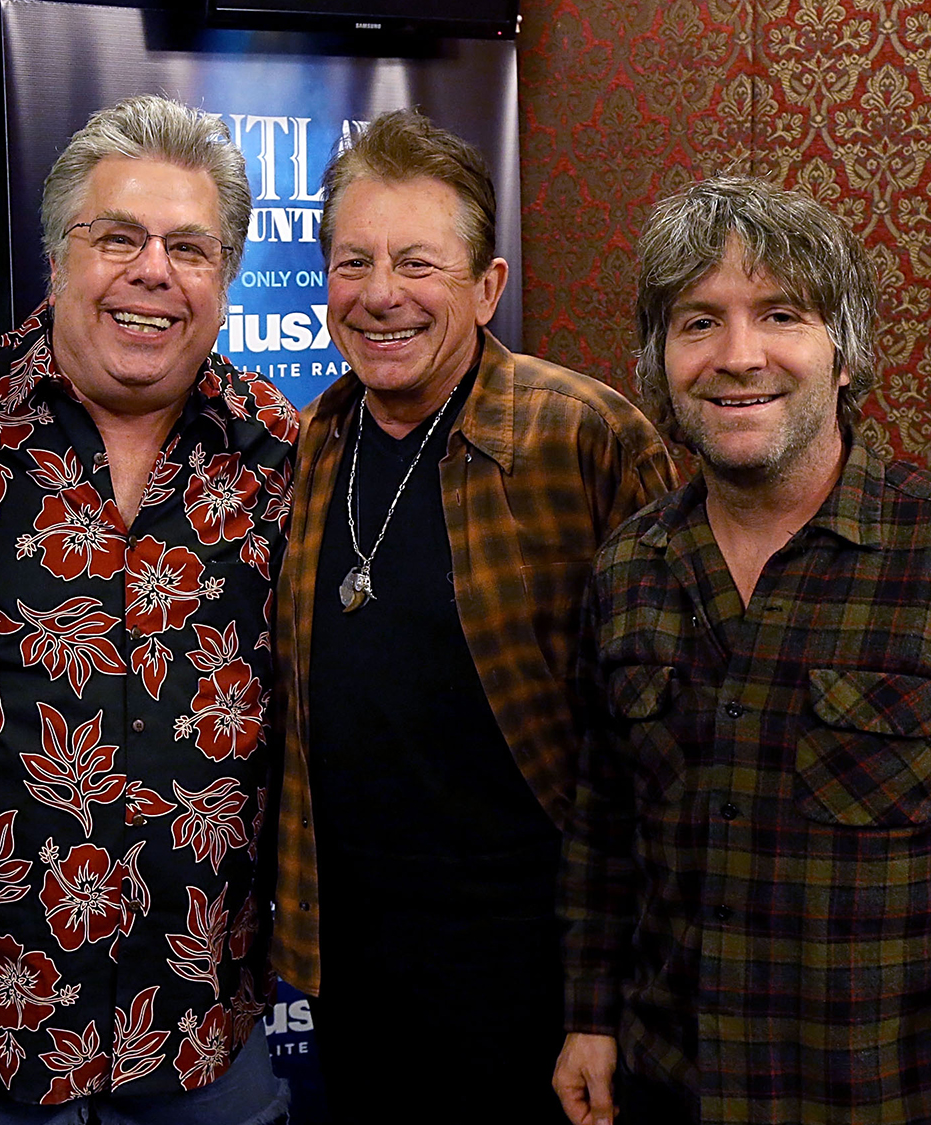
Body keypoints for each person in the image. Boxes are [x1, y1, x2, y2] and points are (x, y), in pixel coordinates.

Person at [554, 174, 931, 1125]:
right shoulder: (628, 570)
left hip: (885, 1099)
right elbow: (603, 833)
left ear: (844, 352)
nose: (739, 357)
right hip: (665, 1089)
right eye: (699, 322)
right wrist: (589, 1014)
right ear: (660, 359)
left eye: (781, 314)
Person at [0, 96, 296, 1123]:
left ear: (226, 276)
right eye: (118, 237)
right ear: (57, 254)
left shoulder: (284, 452)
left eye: (189, 247)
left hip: (205, 1032)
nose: (152, 271)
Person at [268, 108, 674, 1122]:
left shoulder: (584, 438)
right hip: (354, 967)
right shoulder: (309, 446)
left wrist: (614, 991)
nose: (379, 295)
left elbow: (666, 748)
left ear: (487, 287)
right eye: (352, 262)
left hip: (537, 976)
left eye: (418, 264)